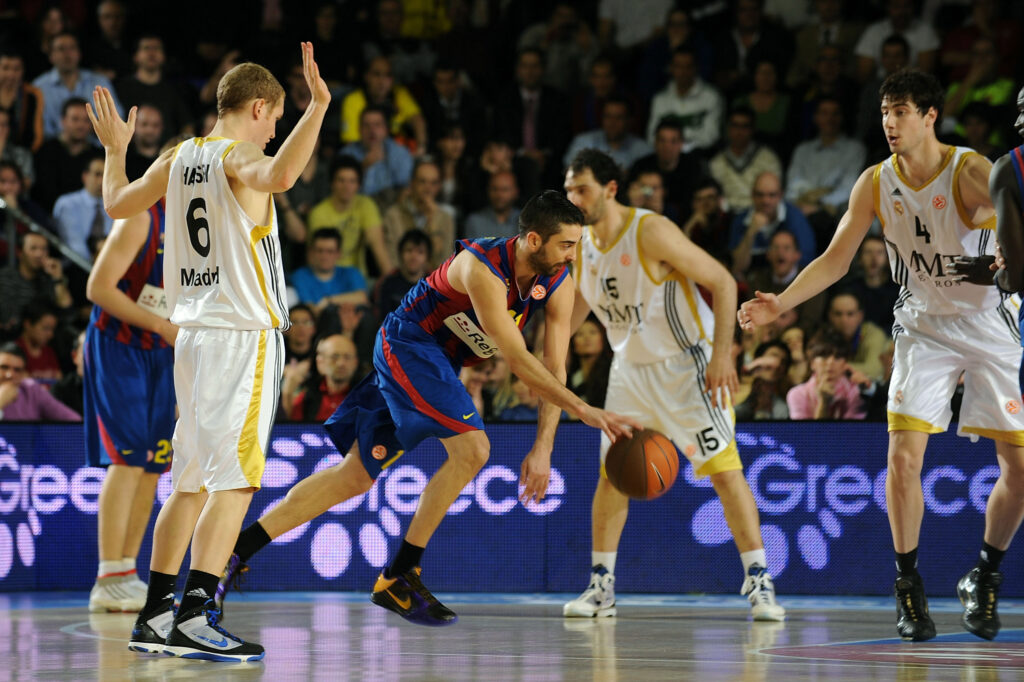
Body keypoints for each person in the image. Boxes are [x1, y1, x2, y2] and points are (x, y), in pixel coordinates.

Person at [215, 190, 640, 626]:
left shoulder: (558, 284)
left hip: (441, 362)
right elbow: (518, 361)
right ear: (534, 240)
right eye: (566, 245)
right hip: (408, 343)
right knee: (474, 450)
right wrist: (587, 412)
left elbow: (555, 367)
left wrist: (544, 447)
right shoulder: (482, 268)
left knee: (355, 477)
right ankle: (401, 572)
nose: (573, 255)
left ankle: (233, 552)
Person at [738, 69, 1024, 642]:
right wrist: (783, 303)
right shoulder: (874, 182)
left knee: (1019, 469)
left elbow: (1012, 222)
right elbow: (836, 258)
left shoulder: (970, 172)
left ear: (929, 116)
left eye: (901, 111)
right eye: (885, 111)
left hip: (988, 322)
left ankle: (985, 574)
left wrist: (1002, 262)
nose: (890, 122)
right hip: (922, 325)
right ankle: (908, 584)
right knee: (902, 457)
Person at [88, 42, 330, 661]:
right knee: (237, 483)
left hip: (191, 338)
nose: (277, 130)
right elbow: (278, 176)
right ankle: (197, 612)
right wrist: (319, 107)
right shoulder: (240, 155)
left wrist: (115, 150)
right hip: (240, 337)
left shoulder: (177, 157)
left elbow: (116, 203)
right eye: (276, 118)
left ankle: (155, 616)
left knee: (189, 483)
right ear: (258, 107)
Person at [562, 149, 785, 622]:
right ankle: (601, 586)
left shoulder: (649, 230)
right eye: (568, 190)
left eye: (581, 189)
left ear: (609, 189)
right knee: (612, 476)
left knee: (725, 472)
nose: (573, 198)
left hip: (688, 367)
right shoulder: (578, 245)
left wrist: (722, 354)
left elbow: (723, 282)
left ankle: (760, 581)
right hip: (630, 372)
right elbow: (572, 315)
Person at [82, 199, 177, 614]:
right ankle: (107, 576)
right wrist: (159, 324)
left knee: (155, 461)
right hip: (119, 345)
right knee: (127, 458)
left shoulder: (208, 223)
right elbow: (98, 288)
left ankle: (126, 571)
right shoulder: (143, 216)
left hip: (162, 349)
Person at [785, 327, 865, 420]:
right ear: (812, 363)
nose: (830, 362)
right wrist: (824, 403)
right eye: (824, 356)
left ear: (845, 363)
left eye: (837, 357)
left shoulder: (857, 392)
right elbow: (806, 434)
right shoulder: (797, 394)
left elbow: (852, 433)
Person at [0, 342, 80, 421]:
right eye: (4, 367)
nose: (10, 374)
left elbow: (73, 419)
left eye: (17, 370)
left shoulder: (31, 389)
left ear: (24, 373)